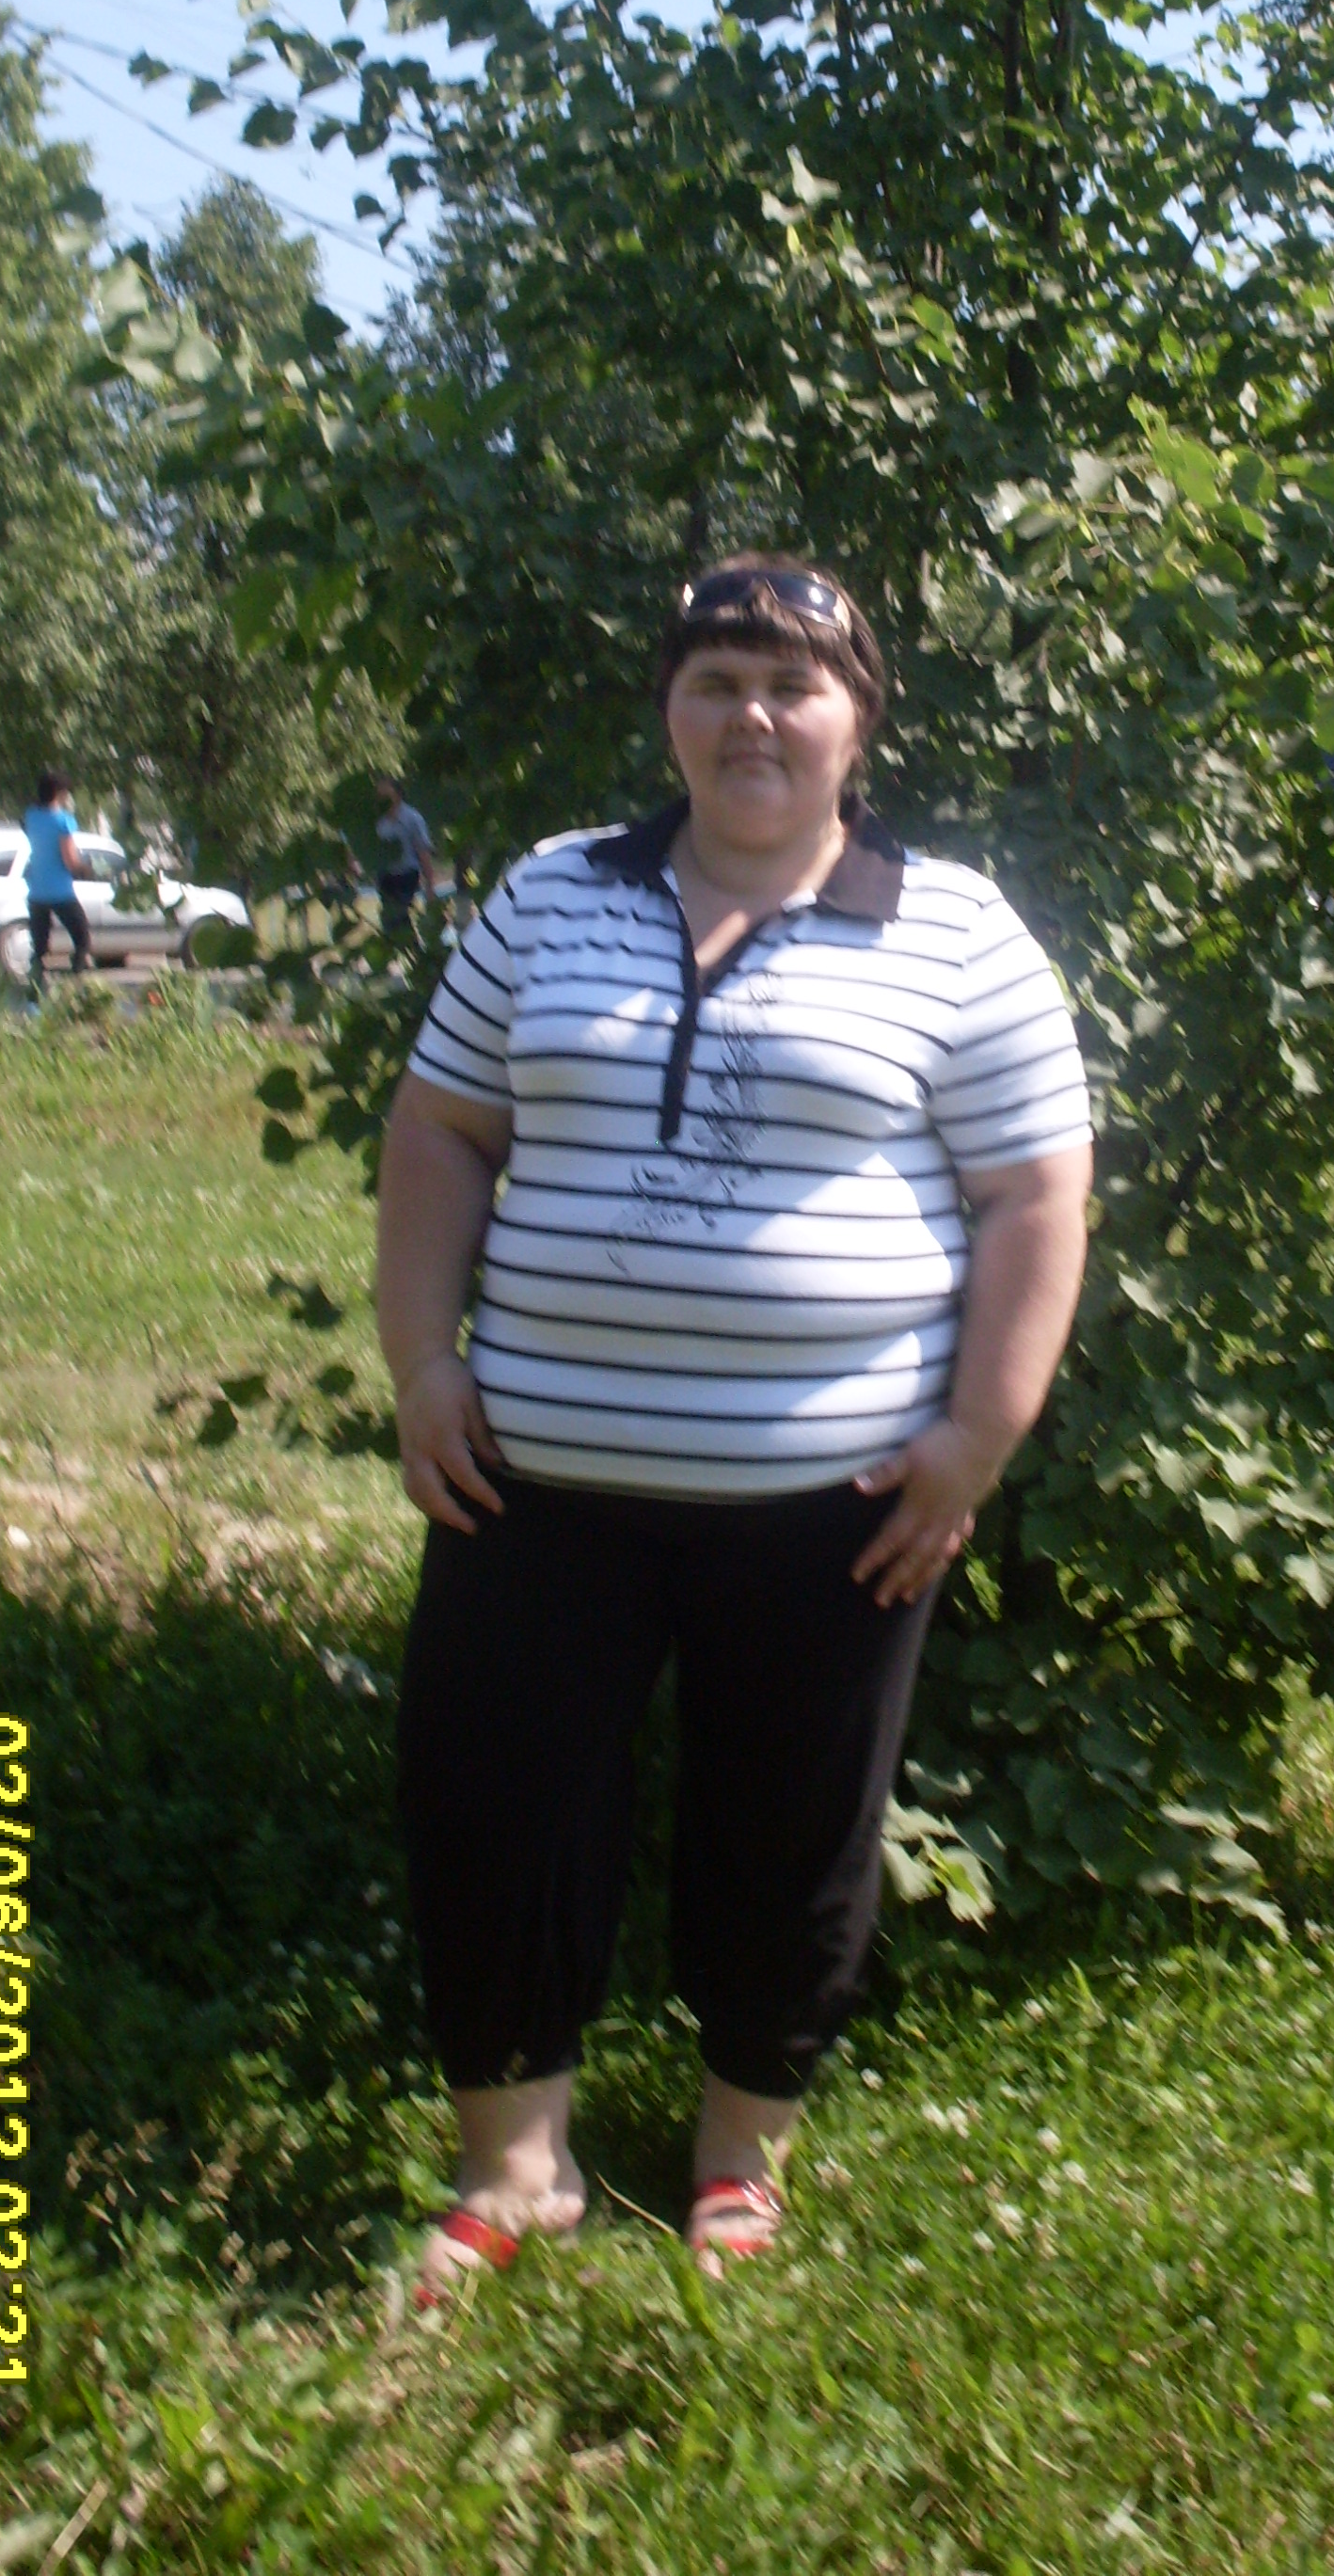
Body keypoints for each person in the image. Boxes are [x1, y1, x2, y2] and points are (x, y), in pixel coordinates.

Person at [375, 554, 1094, 2296]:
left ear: (859, 721)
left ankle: (737, 2161)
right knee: (493, 1804)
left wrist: (977, 1440)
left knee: (791, 1825)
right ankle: (514, 2167)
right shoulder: (552, 893)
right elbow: (441, 1126)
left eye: (793, 683)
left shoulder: (955, 929)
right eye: (714, 679)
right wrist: (421, 1364)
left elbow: (1035, 1193)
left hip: (834, 1493)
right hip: (529, 1480)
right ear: (669, 713)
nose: (752, 715)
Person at [21, 771, 91, 980]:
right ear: (60, 793)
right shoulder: (63, 821)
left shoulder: (31, 815)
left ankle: (35, 984)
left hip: (36, 890)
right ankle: (76, 981)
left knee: (40, 947)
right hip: (60, 891)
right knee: (82, 939)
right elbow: (69, 860)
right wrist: (86, 868)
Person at [374, 778, 436, 935]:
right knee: (390, 918)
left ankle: (410, 943)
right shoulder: (377, 820)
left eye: (387, 794)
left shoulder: (412, 818)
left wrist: (430, 884)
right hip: (385, 875)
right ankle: (403, 943)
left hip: (407, 874)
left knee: (399, 913)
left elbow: (423, 851)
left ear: (398, 795)